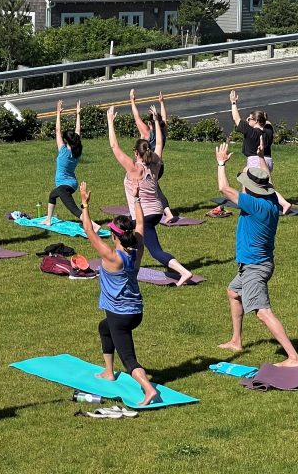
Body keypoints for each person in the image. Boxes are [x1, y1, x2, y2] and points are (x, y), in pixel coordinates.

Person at [215, 143, 298, 367]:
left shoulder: (254, 205)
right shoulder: (272, 200)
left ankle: (293, 357)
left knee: (262, 312)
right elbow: (269, 180)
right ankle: (236, 340)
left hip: (255, 266)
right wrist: (261, 157)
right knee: (234, 292)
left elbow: (224, 189)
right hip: (252, 264)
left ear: (252, 190)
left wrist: (221, 163)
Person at [78, 181, 158, 406]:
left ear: (114, 236)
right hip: (136, 312)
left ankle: (149, 389)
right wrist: (137, 198)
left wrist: (85, 204)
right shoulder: (138, 248)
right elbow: (141, 222)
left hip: (120, 315)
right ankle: (108, 371)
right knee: (103, 328)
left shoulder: (112, 257)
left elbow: (87, 230)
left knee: (130, 360)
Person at [107, 107, 193, 286]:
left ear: (136, 152)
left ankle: (184, 272)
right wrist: (155, 121)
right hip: (155, 213)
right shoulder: (155, 164)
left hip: (144, 216)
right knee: (138, 239)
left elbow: (114, 147)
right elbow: (159, 144)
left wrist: (110, 122)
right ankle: (135, 268)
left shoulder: (134, 168)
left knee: (154, 249)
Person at [229, 90, 292, 215]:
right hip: (268, 160)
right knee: (249, 178)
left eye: (250, 119)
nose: (248, 121)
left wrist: (233, 103)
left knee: (259, 184)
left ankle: (284, 203)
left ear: (256, 121)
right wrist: (261, 117)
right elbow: (267, 123)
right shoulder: (268, 131)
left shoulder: (251, 132)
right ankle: (246, 202)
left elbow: (236, 119)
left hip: (256, 160)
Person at [129, 89, 175, 223]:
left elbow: (136, 118)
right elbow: (164, 119)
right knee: (153, 188)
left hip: (149, 166)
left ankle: (167, 212)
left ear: (150, 123)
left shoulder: (148, 134)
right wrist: (162, 103)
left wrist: (132, 100)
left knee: (152, 189)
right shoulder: (162, 130)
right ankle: (163, 211)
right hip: (160, 166)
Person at [43, 99, 84, 226]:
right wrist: (78, 114)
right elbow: (78, 132)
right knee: (52, 196)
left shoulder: (63, 151)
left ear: (66, 141)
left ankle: (90, 223)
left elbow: (57, 130)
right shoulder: (77, 149)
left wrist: (58, 113)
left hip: (64, 185)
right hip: (72, 183)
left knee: (74, 209)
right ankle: (48, 219)